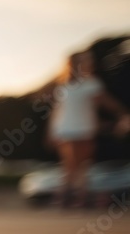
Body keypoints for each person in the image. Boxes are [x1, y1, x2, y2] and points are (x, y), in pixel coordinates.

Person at [48, 51, 130, 208]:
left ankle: (68, 199)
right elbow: (57, 112)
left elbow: (104, 102)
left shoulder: (79, 85)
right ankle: (72, 199)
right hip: (72, 129)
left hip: (77, 129)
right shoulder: (75, 86)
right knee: (76, 166)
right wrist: (123, 112)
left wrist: (121, 114)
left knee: (75, 166)